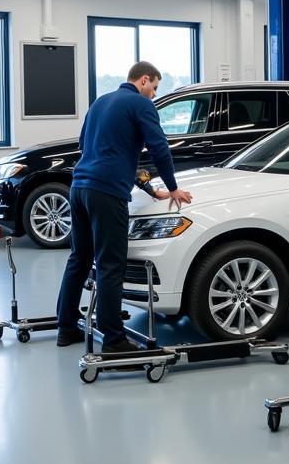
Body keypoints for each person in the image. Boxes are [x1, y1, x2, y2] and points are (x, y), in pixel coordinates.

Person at [55, 61, 193, 351]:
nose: (154, 95)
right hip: (106, 194)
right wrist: (172, 188)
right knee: (110, 264)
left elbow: (92, 147)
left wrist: (149, 189)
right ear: (144, 80)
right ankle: (114, 339)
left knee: (79, 259)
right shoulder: (141, 105)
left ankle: (66, 328)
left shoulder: (100, 102)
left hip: (79, 189)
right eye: (154, 88)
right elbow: (160, 148)